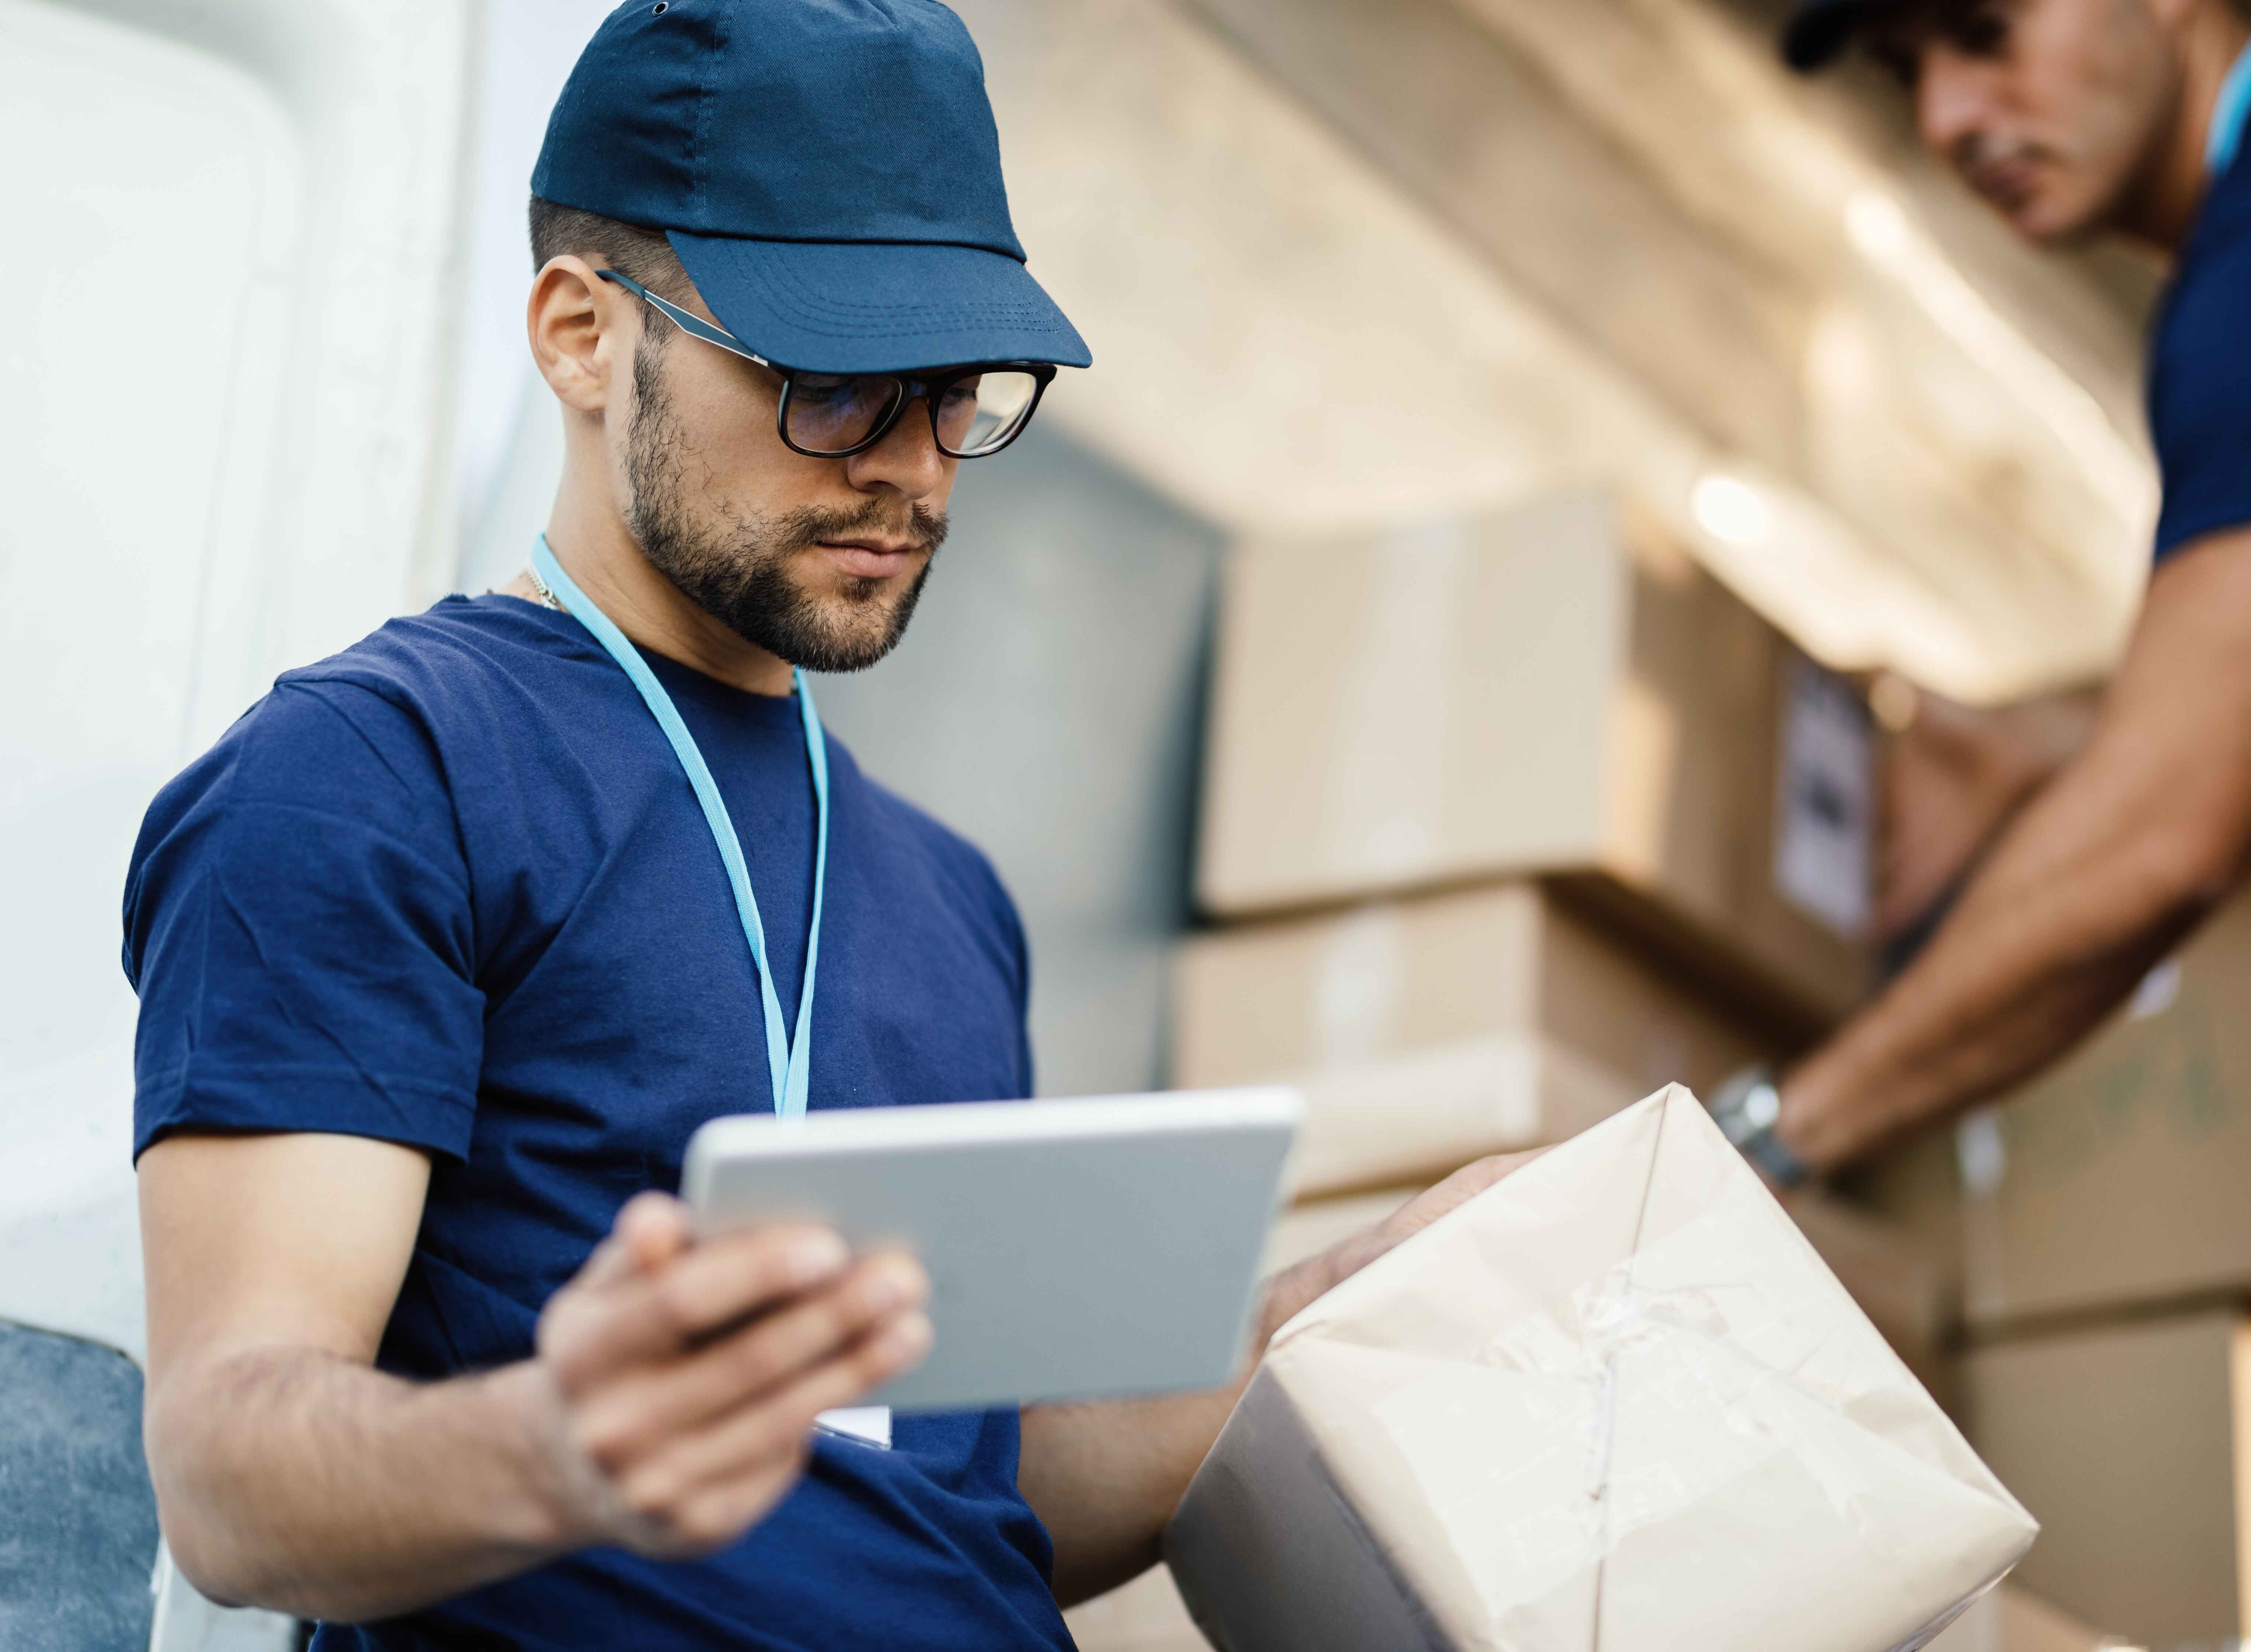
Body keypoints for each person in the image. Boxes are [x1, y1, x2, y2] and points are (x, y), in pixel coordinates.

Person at [124, 4, 1516, 1646]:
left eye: (959, 394)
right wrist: (561, 1447)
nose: (918, 473)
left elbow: (960, 1493)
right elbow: (228, 1474)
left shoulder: (949, 893)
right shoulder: (376, 770)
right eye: (840, 386)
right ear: (581, 334)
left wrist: (1320, 1320)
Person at [1702, 0, 2251, 1636]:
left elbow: (2163, 843)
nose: (1955, 115)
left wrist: (1768, 1137)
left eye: (1986, 31)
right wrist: (2059, 736)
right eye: (1913, 71)